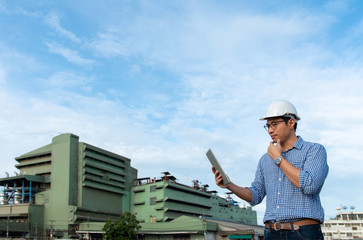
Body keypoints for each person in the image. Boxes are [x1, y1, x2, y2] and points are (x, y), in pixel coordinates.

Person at [213, 100, 329, 240]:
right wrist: (229, 185)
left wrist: (278, 159)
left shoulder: (314, 150)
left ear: (291, 123)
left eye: (275, 124)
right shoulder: (265, 160)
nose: (270, 130)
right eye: (267, 126)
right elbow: (255, 195)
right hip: (271, 233)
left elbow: (310, 185)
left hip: (303, 232)